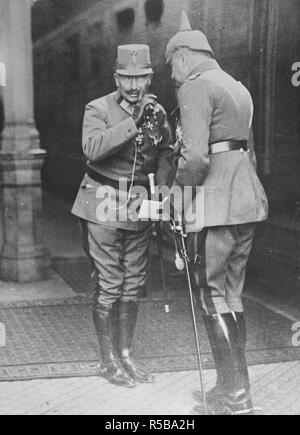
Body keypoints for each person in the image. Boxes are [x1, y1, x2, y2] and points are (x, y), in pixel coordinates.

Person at [165, 12, 268, 414]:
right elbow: (251, 152)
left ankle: (236, 397)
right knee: (231, 296)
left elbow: (193, 159)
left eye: (172, 64)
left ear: (185, 56)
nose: (172, 75)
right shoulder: (239, 87)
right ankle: (232, 389)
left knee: (211, 296)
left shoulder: (195, 87)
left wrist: (176, 198)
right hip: (246, 202)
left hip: (214, 206)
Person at [72, 44, 174, 388]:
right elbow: (92, 149)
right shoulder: (97, 108)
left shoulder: (157, 111)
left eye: (140, 78)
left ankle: (126, 355)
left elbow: (165, 153)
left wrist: (160, 195)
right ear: (117, 77)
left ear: (149, 77)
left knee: (133, 282)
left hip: (139, 205)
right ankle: (108, 360)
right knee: (110, 281)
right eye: (127, 78)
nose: (134, 86)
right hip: (101, 201)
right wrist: (133, 120)